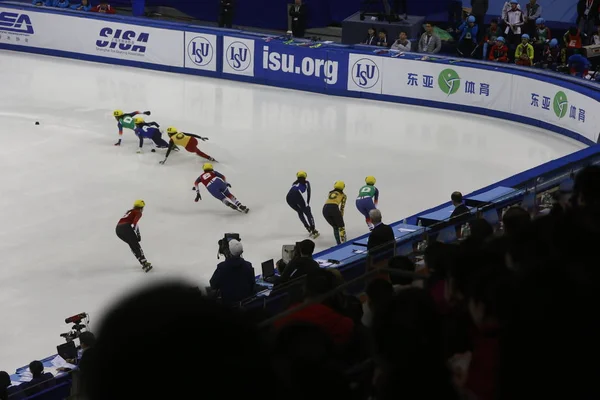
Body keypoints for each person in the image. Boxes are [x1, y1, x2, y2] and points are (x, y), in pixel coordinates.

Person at [210, 239, 255, 305]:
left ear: (229, 251)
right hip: (247, 303)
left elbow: (213, 284)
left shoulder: (221, 268)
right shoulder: (248, 265)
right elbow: (252, 284)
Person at [116, 200, 152, 271]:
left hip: (118, 230)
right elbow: (134, 223)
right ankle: (144, 262)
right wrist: (138, 234)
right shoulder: (138, 212)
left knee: (132, 244)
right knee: (135, 245)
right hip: (126, 228)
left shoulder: (130, 211)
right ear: (141, 207)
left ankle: (142, 261)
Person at [286, 171, 319, 238]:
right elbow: (308, 193)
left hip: (288, 198)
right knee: (308, 213)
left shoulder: (294, 183)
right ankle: (313, 230)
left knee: (300, 212)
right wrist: (307, 204)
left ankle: (308, 228)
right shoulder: (307, 183)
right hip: (298, 195)